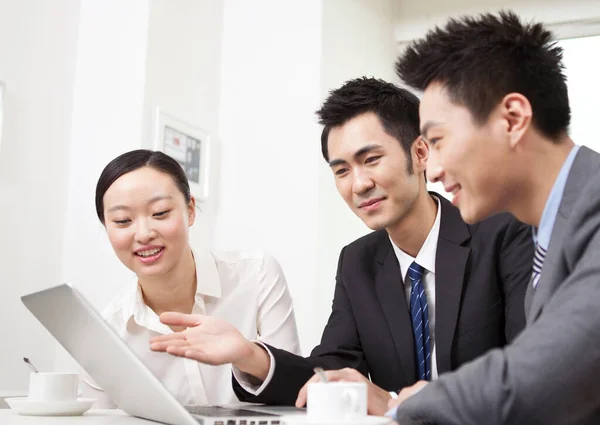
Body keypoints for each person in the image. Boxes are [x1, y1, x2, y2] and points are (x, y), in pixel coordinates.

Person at [150, 78, 533, 416]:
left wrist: (407, 401)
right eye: (342, 170)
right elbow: (329, 370)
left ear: (420, 154)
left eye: (372, 159)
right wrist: (249, 355)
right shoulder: (358, 261)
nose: (359, 184)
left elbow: (530, 367)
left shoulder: (502, 233)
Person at [380, 10, 600, 425]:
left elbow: (539, 380)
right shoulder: (548, 237)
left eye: (439, 141)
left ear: (513, 119)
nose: (436, 169)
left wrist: (411, 406)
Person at [85, 149, 300, 407]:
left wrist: (248, 355)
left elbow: (296, 392)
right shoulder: (107, 332)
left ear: (190, 210)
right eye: (122, 220)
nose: (143, 234)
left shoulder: (257, 274)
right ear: (106, 227)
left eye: (160, 213)